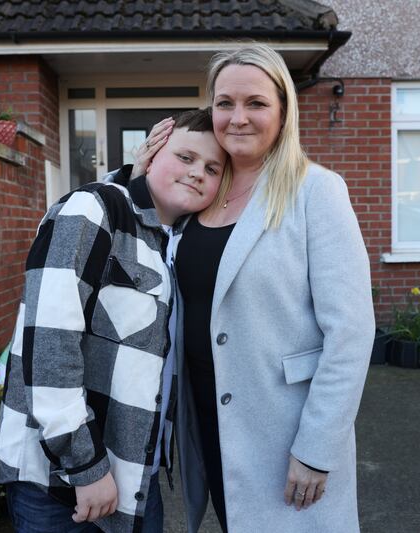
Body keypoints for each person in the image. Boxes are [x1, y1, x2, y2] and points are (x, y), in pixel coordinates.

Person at [135, 43, 374, 532]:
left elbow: (350, 334)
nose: (237, 118)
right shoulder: (202, 191)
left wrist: (317, 448)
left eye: (256, 103)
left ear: (283, 112)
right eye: (225, 103)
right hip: (211, 424)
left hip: (284, 432)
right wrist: (139, 174)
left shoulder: (316, 191)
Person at [0, 109, 227, 533]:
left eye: (212, 168)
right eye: (186, 157)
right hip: (61, 483)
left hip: (134, 478)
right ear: (153, 153)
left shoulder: (178, 244)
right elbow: (49, 347)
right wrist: (86, 466)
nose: (198, 173)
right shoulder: (92, 210)